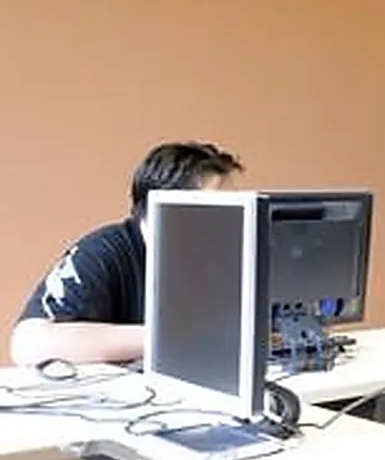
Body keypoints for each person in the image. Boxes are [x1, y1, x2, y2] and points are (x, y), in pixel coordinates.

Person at [10, 141, 245, 367]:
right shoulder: (103, 252)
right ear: (164, 210)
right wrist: (174, 339)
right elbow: (28, 344)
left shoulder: (224, 255)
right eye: (219, 209)